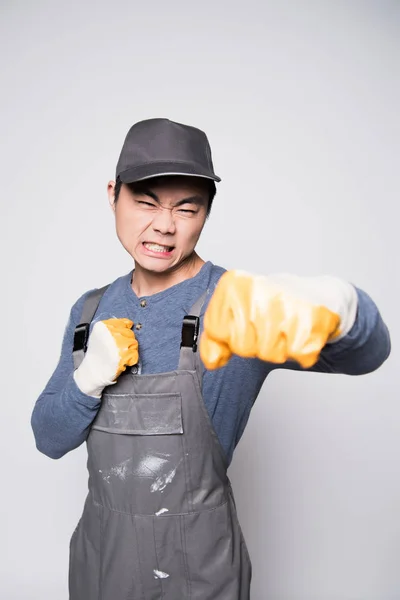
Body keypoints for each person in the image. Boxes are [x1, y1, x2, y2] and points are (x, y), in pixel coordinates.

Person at [31, 118, 391, 600]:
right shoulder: (89, 311)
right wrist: (86, 382)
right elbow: (48, 439)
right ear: (113, 194)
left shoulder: (236, 305)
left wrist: (344, 306)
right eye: (145, 202)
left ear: (207, 213)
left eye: (187, 207)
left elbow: (369, 354)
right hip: (102, 566)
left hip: (198, 574)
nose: (164, 224)